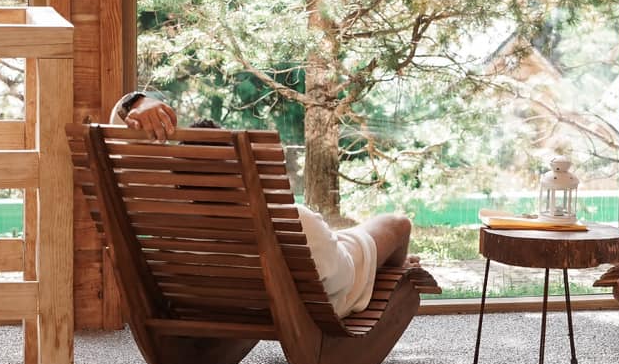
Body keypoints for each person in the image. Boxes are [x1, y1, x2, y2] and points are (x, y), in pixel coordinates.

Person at [109, 89, 411, 321]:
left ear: (178, 179)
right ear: (241, 171)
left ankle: (390, 263)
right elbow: (338, 280)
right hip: (305, 298)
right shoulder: (295, 222)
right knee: (397, 224)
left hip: (219, 297)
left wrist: (136, 103)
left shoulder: (167, 226)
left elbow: (115, 141)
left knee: (338, 238)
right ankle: (397, 271)